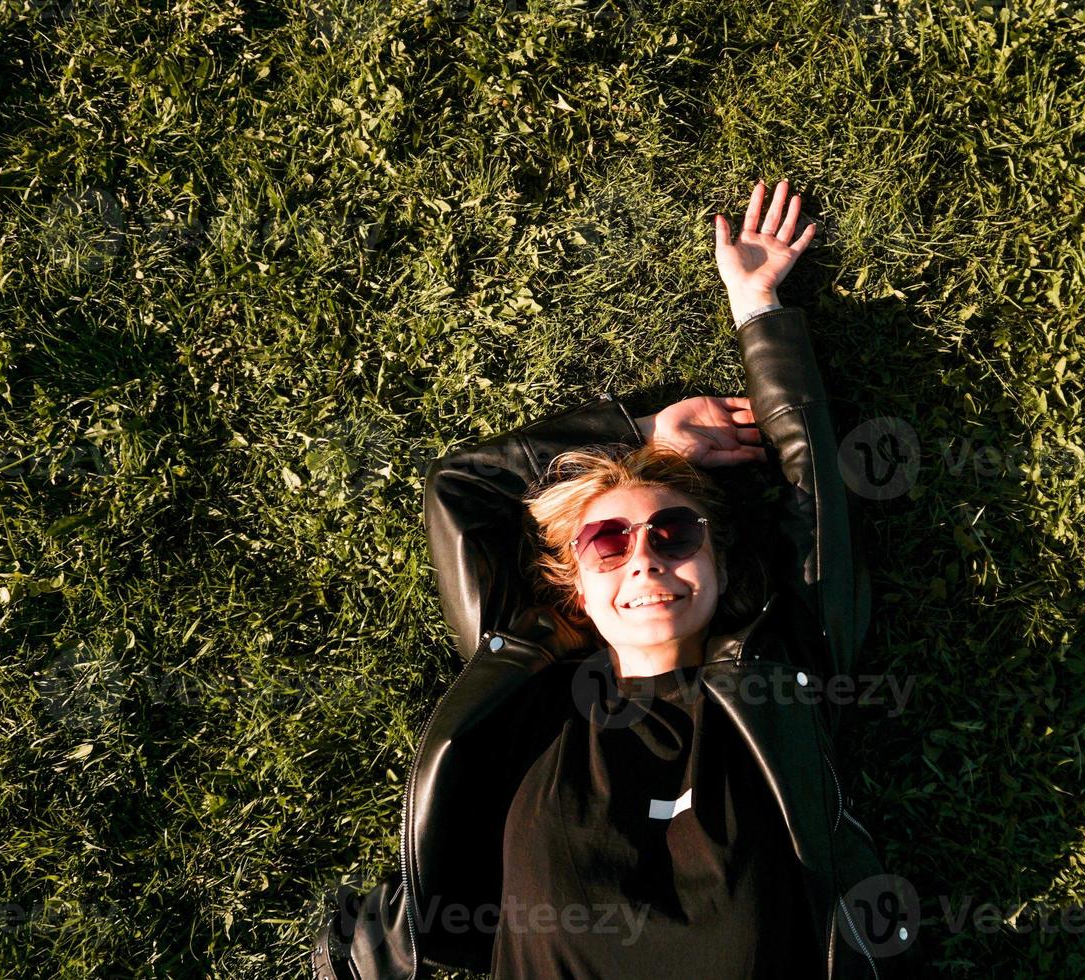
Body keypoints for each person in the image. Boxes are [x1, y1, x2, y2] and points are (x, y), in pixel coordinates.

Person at [311, 179, 922, 979]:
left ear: (719, 562)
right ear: (575, 587)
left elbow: (816, 504)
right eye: (606, 539)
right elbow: (459, 488)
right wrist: (637, 431)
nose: (643, 558)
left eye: (674, 531)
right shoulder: (527, 695)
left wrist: (755, 302)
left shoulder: (782, 674)